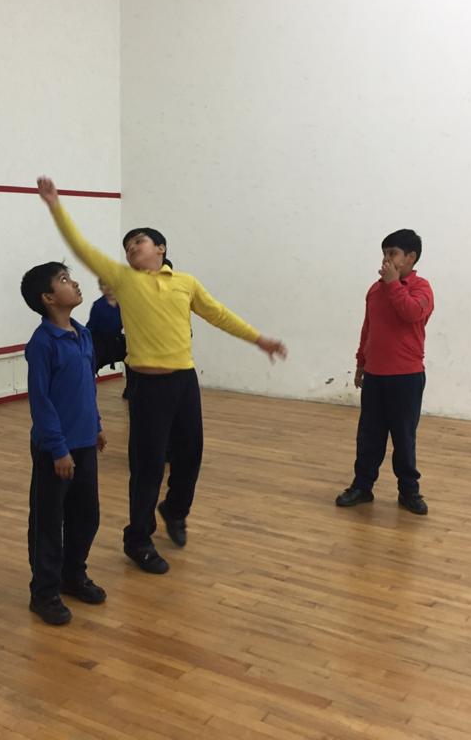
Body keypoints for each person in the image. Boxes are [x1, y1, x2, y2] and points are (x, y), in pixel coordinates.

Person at [37, 176, 287, 574]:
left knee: (190, 456)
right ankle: (137, 539)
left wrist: (259, 340)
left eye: (139, 241)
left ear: (161, 248)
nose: (132, 248)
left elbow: (218, 314)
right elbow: (81, 247)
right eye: (127, 246)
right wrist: (55, 206)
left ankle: (174, 510)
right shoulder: (123, 280)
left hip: (184, 382)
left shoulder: (186, 283)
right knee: (147, 466)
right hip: (146, 386)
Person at [21, 262, 106, 624]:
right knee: (48, 522)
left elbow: (87, 385)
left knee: (87, 516)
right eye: (65, 280)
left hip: (85, 443)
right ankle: (44, 593)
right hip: (54, 451)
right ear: (48, 297)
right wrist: (58, 449)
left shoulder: (82, 334)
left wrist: (96, 425)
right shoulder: (42, 344)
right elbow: (41, 401)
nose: (75, 284)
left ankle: (73, 575)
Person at [335, 230, 434, 515]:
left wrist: (393, 285)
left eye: (393, 254)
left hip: (406, 377)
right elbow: (368, 328)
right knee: (369, 435)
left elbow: (411, 313)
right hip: (375, 376)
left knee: (403, 437)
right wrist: (361, 362)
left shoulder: (421, 289)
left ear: (411, 257)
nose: (386, 260)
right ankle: (362, 487)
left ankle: (409, 492)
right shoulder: (375, 290)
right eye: (384, 254)